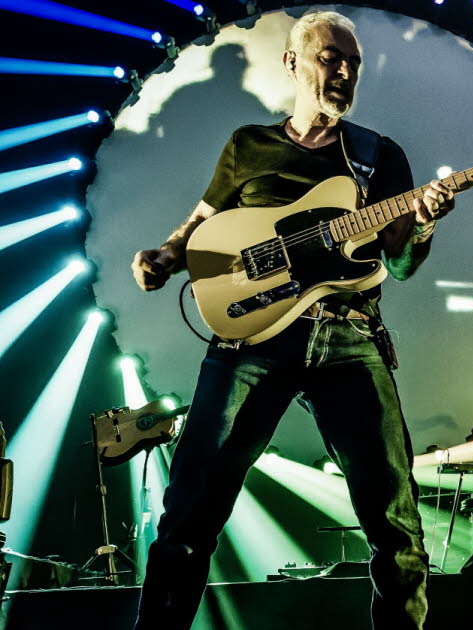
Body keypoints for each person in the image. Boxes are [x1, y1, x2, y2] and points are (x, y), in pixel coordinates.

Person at [129, 12, 453, 629]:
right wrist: (167, 256)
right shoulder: (248, 144)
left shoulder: (379, 157)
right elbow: (201, 220)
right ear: (293, 63)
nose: (344, 71)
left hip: (348, 332)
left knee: (396, 521)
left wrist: (424, 221)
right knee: (191, 512)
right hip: (250, 337)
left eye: (352, 62)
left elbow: (402, 263)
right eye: (330, 57)